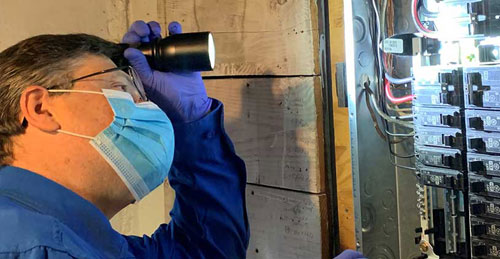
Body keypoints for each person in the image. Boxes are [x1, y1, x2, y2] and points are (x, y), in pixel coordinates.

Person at [0, 19, 363, 259]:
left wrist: (191, 122)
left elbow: (203, 252)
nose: (147, 110)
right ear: (40, 108)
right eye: (121, 90)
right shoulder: (35, 245)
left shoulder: (80, 238)